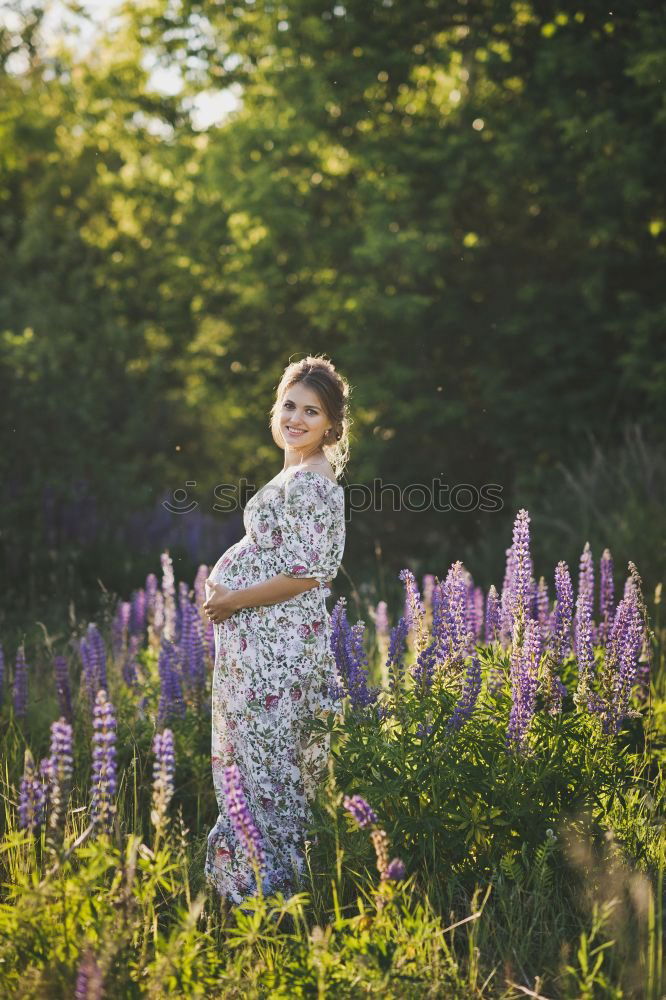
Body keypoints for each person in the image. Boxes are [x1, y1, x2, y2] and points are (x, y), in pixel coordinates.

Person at [202, 355, 351, 904]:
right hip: (264, 648)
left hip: (276, 654)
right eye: (289, 405)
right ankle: (259, 889)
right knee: (260, 767)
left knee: (267, 771)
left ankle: (265, 896)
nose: (296, 418)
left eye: (310, 411)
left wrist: (232, 599)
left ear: (330, 424)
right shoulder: (297, 473)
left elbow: (307, 574)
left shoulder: (312, 482)